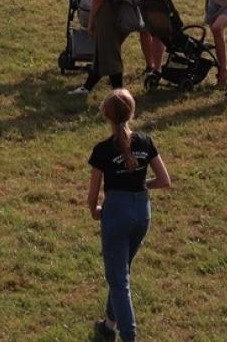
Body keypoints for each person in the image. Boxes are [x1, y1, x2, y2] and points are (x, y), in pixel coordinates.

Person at [85, 87, 170, 342]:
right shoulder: (145, 141)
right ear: (132, 112)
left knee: (119, 279)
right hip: (142, 213)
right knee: (121, 271)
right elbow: (164, 180)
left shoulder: (102, 150)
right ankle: (109, 323)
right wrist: (142, 185)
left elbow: (93, 194)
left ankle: (128, 336)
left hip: (116, 213)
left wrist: (95, 211)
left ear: (105, 114)